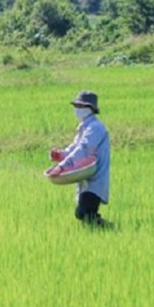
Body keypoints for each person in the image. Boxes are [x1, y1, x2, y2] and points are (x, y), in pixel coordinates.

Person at [47, 90, 111, 225]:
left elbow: (83, 149)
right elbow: (74, 149)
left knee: (84, 213)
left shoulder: (96, 128)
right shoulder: (84, 127)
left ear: (91, 109)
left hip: (95, 179)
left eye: (81, 106)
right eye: (76, 106)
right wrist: (61, 155)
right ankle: (105, 231)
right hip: (85, 178)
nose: (77, 110)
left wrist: (62, 166)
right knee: (85, 214)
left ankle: (111, 229)